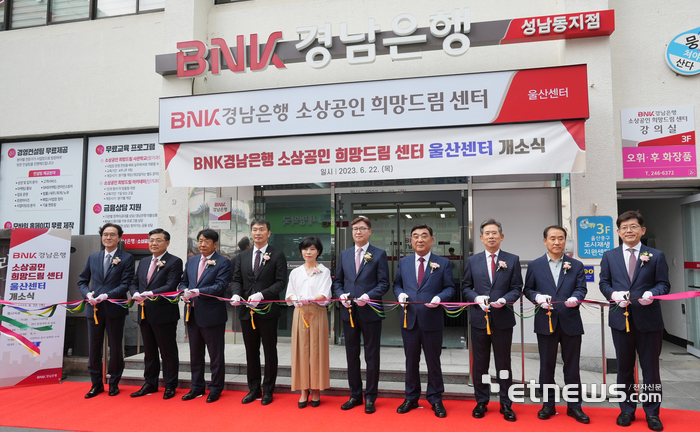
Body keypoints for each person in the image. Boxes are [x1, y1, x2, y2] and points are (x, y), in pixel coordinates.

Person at [599, 210, 669, 432]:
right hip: (621, 320)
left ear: (642, 230)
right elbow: (603, 283)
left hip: (649, 321)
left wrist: (652, 294)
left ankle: (652, 412)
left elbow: (664, 284)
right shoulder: (609, 256)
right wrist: (613, 295)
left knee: (650, 368)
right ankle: (626, 410)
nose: (629, 231)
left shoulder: (655, 255)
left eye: (633, 226)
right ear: (618, 232)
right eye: (624, 227)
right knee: (623, 367)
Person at [523, 225, 589, 423]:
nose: (557, 242)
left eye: (560, 238)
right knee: (546, 365)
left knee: (572, 366)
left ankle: (574, 406)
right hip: (546, 321)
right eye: (552, 238)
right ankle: (548, 404)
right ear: (545, 241)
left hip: (571, 321)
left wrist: (576, 298)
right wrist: (537, 297)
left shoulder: (576, 265)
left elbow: (581, 289)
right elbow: (528, 289)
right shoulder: (535, 265)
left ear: (565, 240)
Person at [462, 219, 522, 422]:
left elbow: (517, 288)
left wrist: (506, 299)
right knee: (480, 363)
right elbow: (466, 287)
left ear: (501, 236)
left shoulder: (512, 260)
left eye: (494, 233)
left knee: (503, 363)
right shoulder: (472, 261)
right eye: (487, 233)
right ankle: (481, 401)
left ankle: (506, 402)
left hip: (503, 319)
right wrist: (476, 298)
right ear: (481, 238)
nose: (491, 236)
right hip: (479, 319)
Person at [393, 224, 455, 418]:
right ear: (411, 240)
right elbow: (397, 284)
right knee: (411, 361)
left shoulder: (442, 263)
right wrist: (400, 294)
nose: (419, 239)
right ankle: (411, 397)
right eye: (415, 236)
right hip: (409, 318)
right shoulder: (403, 262)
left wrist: (440, 298)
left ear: (431, 240)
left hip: (432, 319)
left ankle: (436, 398)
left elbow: (450, 288)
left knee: (433, 361)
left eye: (424, 236)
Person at [333, 216, 390, 414]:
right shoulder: (344, 254)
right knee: (351, 354)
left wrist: (368, 295)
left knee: (372, 355)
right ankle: (355, 394)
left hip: (371, 311)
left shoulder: (379, 254)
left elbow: (384, 283)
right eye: (355, 229)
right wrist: (341, 296)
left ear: (369, 231)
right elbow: (337, 282)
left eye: (362, 229)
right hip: (349, 311)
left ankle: (371, 397)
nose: (358, 232)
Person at [230, 218, 287, 405]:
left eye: (262, 229)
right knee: (251, 351)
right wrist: (237, 294)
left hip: (267, 311)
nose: (258, 233)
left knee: (270, 351)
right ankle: (253, 389)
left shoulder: (277, 255)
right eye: (254, 230)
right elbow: (236, 279)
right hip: (247, 311)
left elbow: (280, 282)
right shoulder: (242, 256)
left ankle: (268, 389)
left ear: (269, 233)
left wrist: (262, 295)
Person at [78, 223, 135, 398]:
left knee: (116, 346)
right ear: (101, 237)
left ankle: (114, 382)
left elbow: (125, 284)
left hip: (114, 308)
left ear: (119, 238)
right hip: (94, 308)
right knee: (94, 347)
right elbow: (82, 280)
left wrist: (107, 295)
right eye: (105, 234)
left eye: (112, 234)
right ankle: (95, 384)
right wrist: (87, 294)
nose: (108, 237)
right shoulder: (93, 257)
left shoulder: (126, 258)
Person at [128, 228, 183, 400]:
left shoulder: (174, 261)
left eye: (158, 240)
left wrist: (150, 294)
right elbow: (134, 281)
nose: (153, 243)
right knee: (149, 351)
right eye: (151, 240)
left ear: (167, 242)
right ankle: (150, 383)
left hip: (164, 314)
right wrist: (135, 293)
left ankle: (170, 384)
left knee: (167, 351)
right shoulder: (144, 261)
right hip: (144, 312)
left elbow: (171, 285)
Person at [179, 229, 232, 403]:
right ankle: (197, 387)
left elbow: (220, 286)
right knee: (195, 354)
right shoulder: (192, 261)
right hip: (192, 313)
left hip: (212, 315)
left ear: (215, 244)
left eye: (206, 241)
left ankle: (216, 388)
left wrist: (198, 291)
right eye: (200, 241)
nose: (202, 244)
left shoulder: (223, 262)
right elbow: (184, 281)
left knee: (215, 354)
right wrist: (183, 291)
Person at [284, 236, 332, 408]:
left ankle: (317, 389)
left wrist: (310, 298)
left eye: (312, 249)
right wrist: (296, 298)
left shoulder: (324, 271)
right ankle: (304, 389)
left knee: (317, 351)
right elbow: (289, 295)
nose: (308, 252)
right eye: (305, 249)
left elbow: (325, 294)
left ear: (318, 251)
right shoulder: (296, 272)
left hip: (317, 312)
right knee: (300, 351)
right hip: (300, 313)